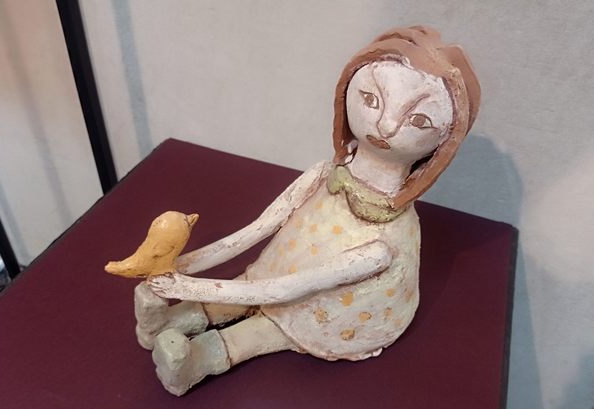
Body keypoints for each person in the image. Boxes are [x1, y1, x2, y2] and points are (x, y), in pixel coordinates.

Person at [140, 26, 481, 396]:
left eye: (418, 121)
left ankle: (193, 361)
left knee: (275, 325)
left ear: (445, 143)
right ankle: (170, 320)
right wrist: (183, 265)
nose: (386, 125)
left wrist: (185, 284)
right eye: (371, 99)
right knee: (250, 282)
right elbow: (259, 227)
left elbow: (287, 289)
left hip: (337, 310)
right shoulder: (322, 175)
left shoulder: (384, 243)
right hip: (283, 269)